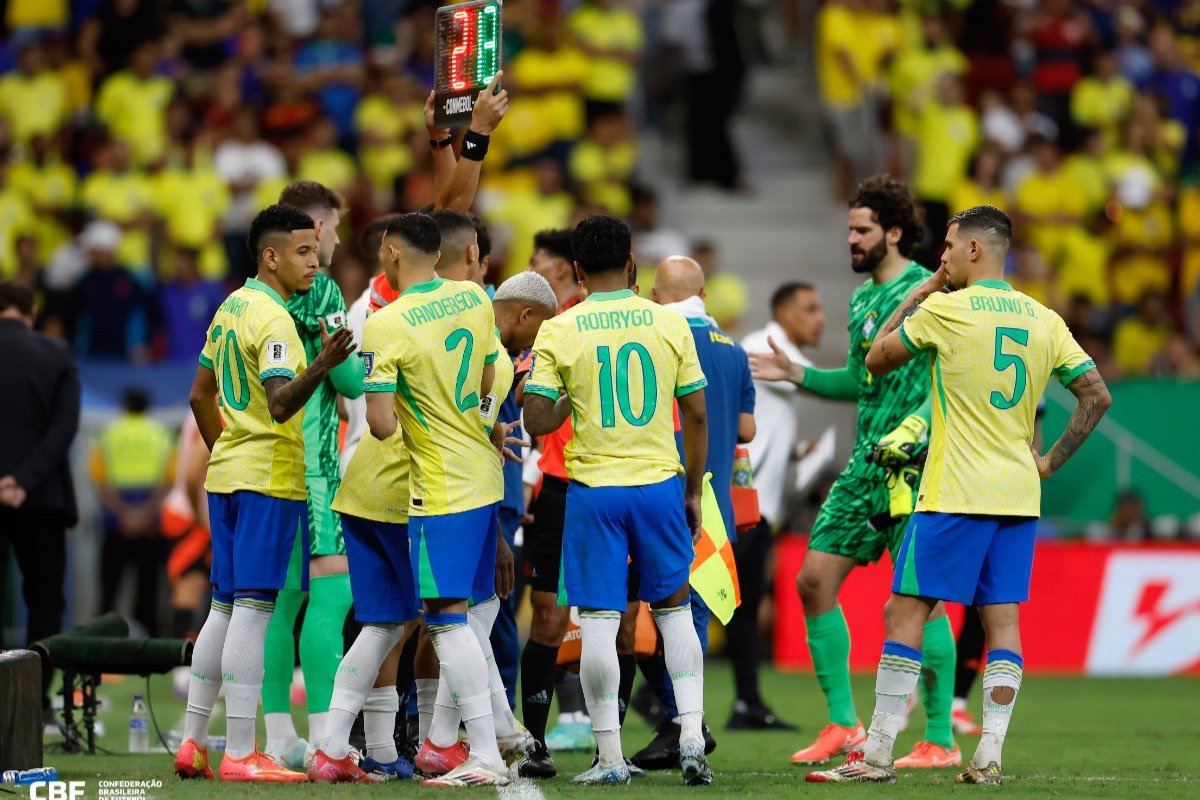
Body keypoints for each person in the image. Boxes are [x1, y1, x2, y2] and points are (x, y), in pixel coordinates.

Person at [810, 205, 1110, 784]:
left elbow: (875, 359)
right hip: (1018, 496)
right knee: (1002, 623)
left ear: (974, 250)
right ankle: (989, 756)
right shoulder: (1043, 318)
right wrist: (1049, 461)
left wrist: (921, 289)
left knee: (904, 612)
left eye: (948, 246)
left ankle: (874, 756)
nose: (941, 256)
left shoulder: (948, 308)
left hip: (954, 491)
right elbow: (1095, 395)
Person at [750, 176, 960, 769]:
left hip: (916, 468)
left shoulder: (931, 291)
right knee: (813, 581)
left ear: (893, 233)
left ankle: (939, 738)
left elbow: (949, 384)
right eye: (849, 228)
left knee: (922, 602)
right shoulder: (866, 299)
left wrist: (916, 428)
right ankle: (844, 723)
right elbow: (858, 382)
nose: (850, 238)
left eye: (860, 229)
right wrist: (797, 373)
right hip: (865, 462)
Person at [523, 215, 713, 786]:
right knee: (674, 611)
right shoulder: (669, 324)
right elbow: (698, 413)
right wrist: (691, 489)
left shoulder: (560, 328)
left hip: (593, 492)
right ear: (632, 264)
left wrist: (566, 405)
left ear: (577, 271)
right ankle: (691, 743)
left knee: (602, 622)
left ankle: (608, 758)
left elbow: (537, 418)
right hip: (658, 485)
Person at [174, 204, 356, 782]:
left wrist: (228, 445)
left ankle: (193, 743)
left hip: (226, 477)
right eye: (303, 252)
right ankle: (242, 752)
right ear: (271, 255)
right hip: (268, 481)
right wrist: (324, 362)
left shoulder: (231, 307)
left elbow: (200, 395)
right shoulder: (275, 319)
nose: (313, 261)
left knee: (223, 611)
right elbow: (281, 403)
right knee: (254, 612)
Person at [335, 212, 510, 787]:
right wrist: (477, 423)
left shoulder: (388, 323)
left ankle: (480, 751)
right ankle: (445, 744)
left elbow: (381, 425)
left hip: (438, 488)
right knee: (454, 617)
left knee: (445, 622)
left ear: (388, 252)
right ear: (442, 254)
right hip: (483, 478)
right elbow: (489, 385)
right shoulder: (475, 300)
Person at [628, 255, 771, 762]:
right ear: (704, 296)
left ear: (654, 295)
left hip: (667, 496)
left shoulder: (655, 337)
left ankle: (681, 721)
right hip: (716, 508)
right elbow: (747, 430)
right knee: (693, 618)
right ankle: (684, 721)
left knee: (647, 615)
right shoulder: (733, 349)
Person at [261, 180, 365, 770]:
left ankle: (278, 738)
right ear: (318, 225)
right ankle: (328, 737)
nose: (335, 238)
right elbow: (349, 385)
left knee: (274, 604)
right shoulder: (322, 289)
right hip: (315, 469)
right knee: (332, 595)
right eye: (335, 225)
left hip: (265, 465)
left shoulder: (255, 294)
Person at [0, 280, 79, 720]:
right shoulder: (56, 353)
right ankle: (33, 702)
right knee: (45, 599)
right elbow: (64, 429)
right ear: (29, 312)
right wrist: (22, 480)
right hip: (41, 497)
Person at [92, 387, 174, 635]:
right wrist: (144, 515)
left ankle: (100, 641)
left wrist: (125, 514)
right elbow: (168, 481)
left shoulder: (110, 433)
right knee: (148, 589)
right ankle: (151, 648)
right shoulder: (160, 433)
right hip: (150, 522)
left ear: (126, 405)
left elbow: (100, 479)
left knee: (109, 588)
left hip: (116, 520)